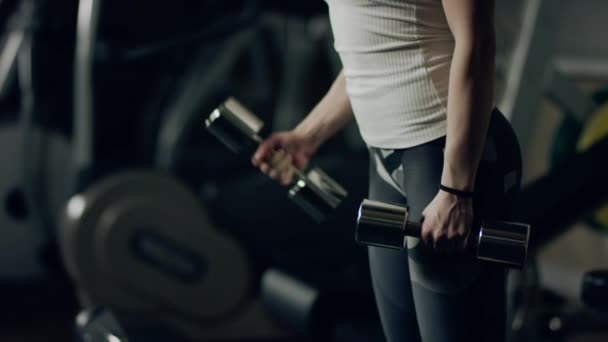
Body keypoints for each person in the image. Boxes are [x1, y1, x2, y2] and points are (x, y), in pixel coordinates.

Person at [252, 1, 518, 341]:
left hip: (447, 161)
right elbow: (375, 48)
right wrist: (306, 136)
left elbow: (477, 46)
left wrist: (457, 189)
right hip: (386, 160)